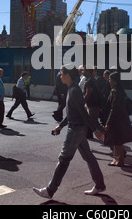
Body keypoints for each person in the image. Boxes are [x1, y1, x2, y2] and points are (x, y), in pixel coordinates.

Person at [33, 66, 106, 199]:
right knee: (88, 157)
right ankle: (100, 185)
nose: (60, 76)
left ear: (67, 75)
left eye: (61, 74)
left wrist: (94, 129)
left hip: (75, 130)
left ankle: (50, 190)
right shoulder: (72, 89)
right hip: (78, 129)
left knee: (63, 159)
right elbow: (72, 112)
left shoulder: (74, 91)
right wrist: (60, 126)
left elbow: (83, 112)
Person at [104, 72, 132, 166]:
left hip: (116, 119)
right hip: (120, 118)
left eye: (110, 79)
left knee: (117, 140)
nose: (109, 81)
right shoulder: (118, 90)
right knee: (116, 140)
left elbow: (114, 108)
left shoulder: (115, 92)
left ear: (113, 80)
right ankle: (116, 159)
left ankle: (119, 160)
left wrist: (108, 122)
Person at [83, 67, 104, 139]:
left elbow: (88, 94)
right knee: (90, 121)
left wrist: (82, 102)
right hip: (91, 104)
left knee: (94, 122)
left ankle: (108, 135)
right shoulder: (91, 79)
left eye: (84, 70)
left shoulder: (90, 81)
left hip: (93, 105)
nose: (83, 72)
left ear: (88, 71)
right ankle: (88, 135)